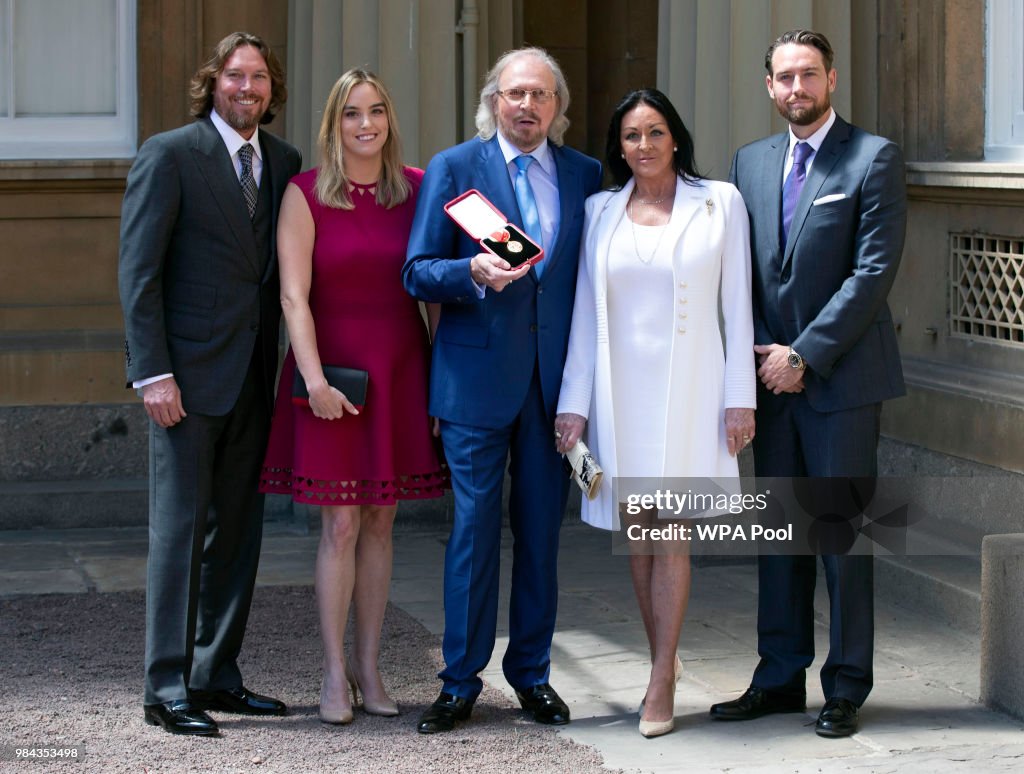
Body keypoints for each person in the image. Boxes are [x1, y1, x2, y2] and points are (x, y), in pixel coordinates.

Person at [708, 29, 907, 738]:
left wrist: (804, 354)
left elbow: (872, 273)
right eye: (785, 78)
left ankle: (847, 685)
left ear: (830, 80)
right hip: (770, 380)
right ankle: (779, 675)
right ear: (769, 86)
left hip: (841, 381)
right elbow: (743, 268)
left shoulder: (872, 157)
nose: (797, 89)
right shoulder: (750, 162)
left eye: (809, 76)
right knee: (780, 536)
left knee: (843, 538)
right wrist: (763, 356)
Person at [402, 47, 602, 734]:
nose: (527, 105)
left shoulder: (586, 175)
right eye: (515, 93)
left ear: (557, 106)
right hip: (474, 381)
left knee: (543, 537)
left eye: (540, 95)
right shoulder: (456, 168)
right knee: (474, 533)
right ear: (494, 100)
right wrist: (474, 273)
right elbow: (417, 271)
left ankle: (532, 676)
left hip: (552, 388)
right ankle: (459, 680)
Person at [554, 89, 756, 738]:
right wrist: (573, 407)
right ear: (619, 146)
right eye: (632, 135)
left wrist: (739, 397)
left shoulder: (718, 202)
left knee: (671, 531)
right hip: (619, 395)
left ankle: (661, 676)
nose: (645, 145)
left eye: (656, 132)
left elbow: (738, 305)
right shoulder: (598, 210)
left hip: (691, 391)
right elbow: (585, 313)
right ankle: (658, 661)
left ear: (676, 138)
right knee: (637, 533)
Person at [118, 32, 302, 737]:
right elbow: (139, 274)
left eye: (258, 76)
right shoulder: (170, 154)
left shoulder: (282, 163)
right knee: (178, 534)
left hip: (255, 378)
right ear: (213, 82)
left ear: (271, 88)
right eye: (234, 75)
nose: (246, 87)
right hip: (185, 383)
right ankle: (165, 689)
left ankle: (216, 674)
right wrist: (152, 372)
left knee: (238, 535)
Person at [260, 69, 445, 725]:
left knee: (381, 519)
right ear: (333, 123)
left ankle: (371, 665)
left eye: (376, 112)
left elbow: (432, 294)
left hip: (399, 374)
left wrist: (438, 386)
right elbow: (292, 297)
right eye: (351, 114)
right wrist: (313, 383)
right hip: (329, 377)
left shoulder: (421, 190)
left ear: (389, 120)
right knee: (339, 522)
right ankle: (334, 672)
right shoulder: (305, 194)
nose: (365, 125)